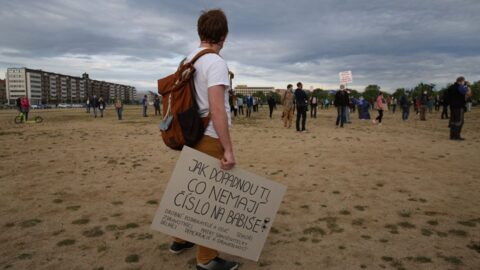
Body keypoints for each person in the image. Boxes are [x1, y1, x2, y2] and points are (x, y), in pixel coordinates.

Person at [167, 9, 238, 270]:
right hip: (208, 137)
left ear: (200, 32)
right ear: (224, 35)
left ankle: (180, 239)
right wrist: (228, 148)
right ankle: (207, 259)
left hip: (190, 134)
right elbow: (217, 108)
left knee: (191, 192)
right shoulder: (216, 63)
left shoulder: (188, 59)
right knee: (211, 200)